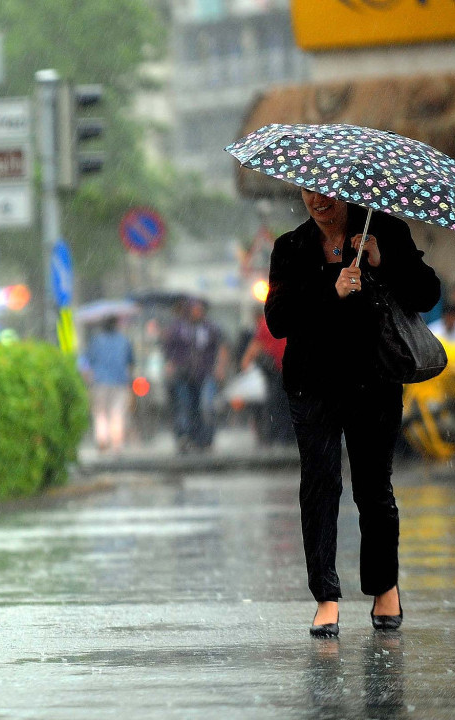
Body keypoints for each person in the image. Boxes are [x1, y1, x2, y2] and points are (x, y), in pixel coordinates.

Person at [265, 188, 439, 637]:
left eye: (327, 193)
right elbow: (278, 319)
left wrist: (384, 262)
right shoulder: (290, 246)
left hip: (374, 381)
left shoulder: (383, 232)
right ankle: (325, 596)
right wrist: (331, 288)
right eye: (308, 192)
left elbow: (426, 293)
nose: (318, 201)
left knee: (373, 489)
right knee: (320, 487)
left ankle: (384, 588)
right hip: (312, 386)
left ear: (347, 191)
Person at [162, 298, 228, 452]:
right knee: (185, 406)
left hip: (206, 373)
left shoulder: (210, 328)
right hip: (183, 374)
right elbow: (168, 348)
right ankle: (185, 437)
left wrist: (220, 366)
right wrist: (171, 363)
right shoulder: (177, 328)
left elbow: (221, 346)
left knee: (206, 406)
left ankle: (205, 438)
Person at [239, 309, 292, 446]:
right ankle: (282, 437)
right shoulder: (268, 323)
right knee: (280, 404)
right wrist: (246, 361)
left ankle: (282, 436)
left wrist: (246, 361)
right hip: (278, 371)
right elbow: (258, 343)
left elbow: (257, 344)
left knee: (279, 405)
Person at [80, 317, 134, 452]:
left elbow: (86, 361)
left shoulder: (96, 341)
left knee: (100, 413)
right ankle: (117, 442)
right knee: (117, 412)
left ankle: (102, 439)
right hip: (119, 381)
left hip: (99, 381)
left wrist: (87, 376)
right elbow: (131, 361)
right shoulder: (124, 341)